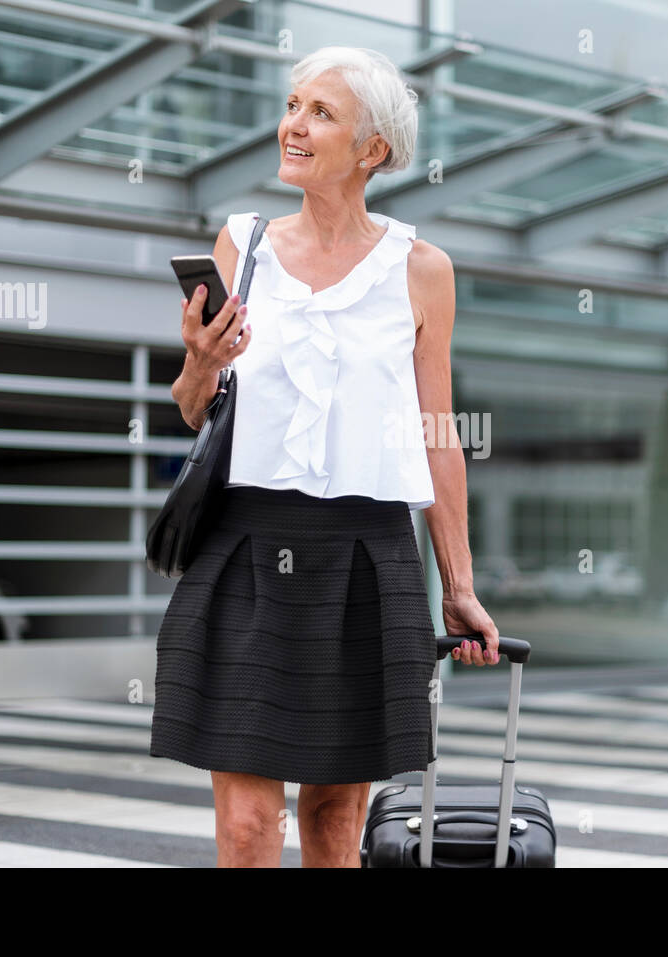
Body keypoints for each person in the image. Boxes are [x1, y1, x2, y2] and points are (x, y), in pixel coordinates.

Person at [149, 46, 500, 868]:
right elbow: (193, 408)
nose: (294, 126)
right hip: (243, 544)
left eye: (322, 113)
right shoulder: (243, 245)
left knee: (336, 822)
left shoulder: (422, 270)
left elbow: (437, 433)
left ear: (372, 149)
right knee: (243, 825)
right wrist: (201, 358)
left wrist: (460, 584)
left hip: (364, 555)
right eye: (293, 104)